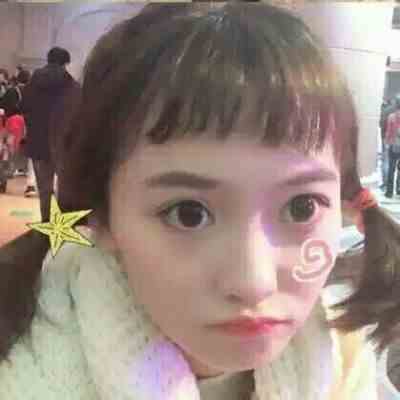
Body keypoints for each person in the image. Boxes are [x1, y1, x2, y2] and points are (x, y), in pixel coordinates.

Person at [0, 3, 399, 399]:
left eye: (302, 207)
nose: (253, 283)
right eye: (188, 214)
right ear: (102, 218)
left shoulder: (343, 357)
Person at [20, 47, 80, 222]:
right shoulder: (72, 86)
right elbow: (78, 114)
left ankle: (47, 224)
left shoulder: (33, 83)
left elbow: (23, 107)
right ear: (66, 62)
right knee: (67, 189)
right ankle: (64, 226)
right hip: (63, 144)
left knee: (45, 190)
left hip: (38, 143)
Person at [384, 97, 400, 198]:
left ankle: (389, 192)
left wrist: (387, 143)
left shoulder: (391, 117)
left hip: (393, 146)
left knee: (391, 169)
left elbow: (388, 132)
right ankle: (399, 189)